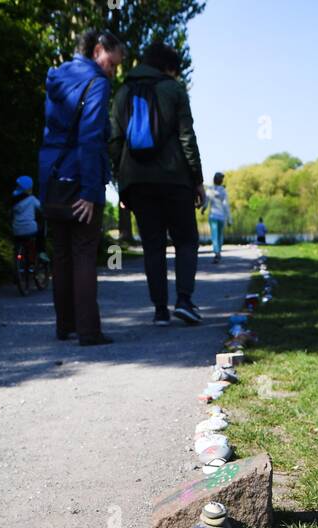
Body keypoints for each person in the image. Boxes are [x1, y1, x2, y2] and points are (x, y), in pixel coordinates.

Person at [38, 29, 126, 345]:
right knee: (84, 253)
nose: (112, 72)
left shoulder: (57, 76)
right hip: (79, 175)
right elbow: (89, 138)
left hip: (51, 174)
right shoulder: (97, 84)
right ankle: (88, 331)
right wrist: (90, 191)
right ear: (98, 50)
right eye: (112, 64)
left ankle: (65, 326)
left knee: (61, 255)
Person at [110, 40, 204, 326]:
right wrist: (198, 180)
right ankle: (184, 300)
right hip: (175, 180)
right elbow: (187, 136)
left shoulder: (122, 92)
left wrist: (121, 183)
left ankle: (160, 310)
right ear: (168, 67)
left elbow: (114, 141)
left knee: (153, 246)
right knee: (186, 240)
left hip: (137, 182)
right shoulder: (174, 89)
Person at [10, 175, 46, 267]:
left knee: (17, 244)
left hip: (16, 230)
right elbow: (41, 208)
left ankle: (17, 264)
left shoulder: (13, 199)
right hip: (30, 229)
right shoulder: (32, 199)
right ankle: (41, 251)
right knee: (41, 229)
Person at [206, 172, 231, 263]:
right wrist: (229, 219)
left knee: (214, 236)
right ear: (221, 181)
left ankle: (217, 253)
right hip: (221, 217)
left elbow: (206, 201)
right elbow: (226, 206)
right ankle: (218, 252)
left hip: (213, 216)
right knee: (220, 235)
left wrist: (203, 209)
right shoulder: (223, 191)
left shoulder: (210, 189)